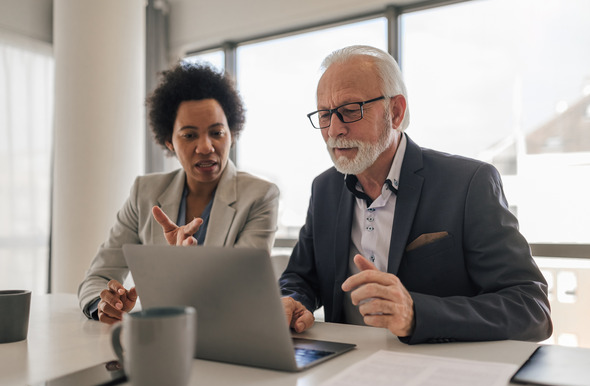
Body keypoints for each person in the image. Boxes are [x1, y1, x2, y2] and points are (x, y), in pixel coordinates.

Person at [279, 45, 552, 344]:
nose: (334, 130)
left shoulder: (468, 183)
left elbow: (531, 308)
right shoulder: (325, 189)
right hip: (341, 365)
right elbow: (301, 278)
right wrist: (292, 301)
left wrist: (416, 314)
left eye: (349, 111)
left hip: (437, 370)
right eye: (324, 114)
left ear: (395, 112)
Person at [78, 62, 279, 324]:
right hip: (160, 340)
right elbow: (97, 277)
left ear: (232, 134)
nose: (206, 147)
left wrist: (185, 265)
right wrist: (104, 304)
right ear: (169, 142)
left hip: (227, 337)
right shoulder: (144, 193)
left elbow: (239, 290)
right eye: (189, 135)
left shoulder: (261, 196)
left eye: (217, 132)